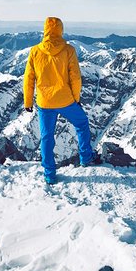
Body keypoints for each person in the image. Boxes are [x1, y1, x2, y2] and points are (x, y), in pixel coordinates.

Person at [23, 17, 95, 184]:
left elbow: (28, 79)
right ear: (60, 30)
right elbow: (76, 77)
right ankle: (86, 157)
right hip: (65, 100)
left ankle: (49, 174)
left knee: (47, 136)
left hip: (44, 102)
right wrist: (76, 99)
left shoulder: (35, 51)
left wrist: (28, 102)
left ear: (45, 31)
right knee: (82, 123)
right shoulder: (69, 50)